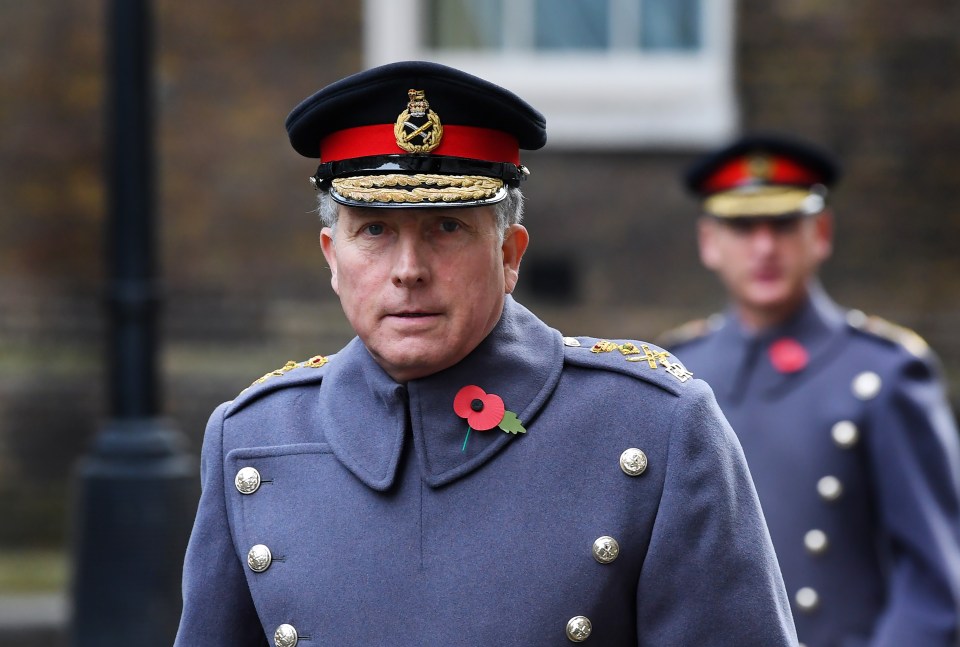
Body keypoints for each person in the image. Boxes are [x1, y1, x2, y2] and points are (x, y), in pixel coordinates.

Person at [174, 61, 798, 647]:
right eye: (374, 231)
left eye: (448, 227)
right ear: (330, 257)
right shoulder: (250, 437)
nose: (409, 271)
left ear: (509, 255)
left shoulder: (655, 427)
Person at [660, 133, 960, 647]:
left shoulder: (883, 375)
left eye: (783, 224)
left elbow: (935, 582)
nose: (764, 247)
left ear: (820, 232)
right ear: (709, 241)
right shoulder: (676, 370)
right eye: (741, 225)